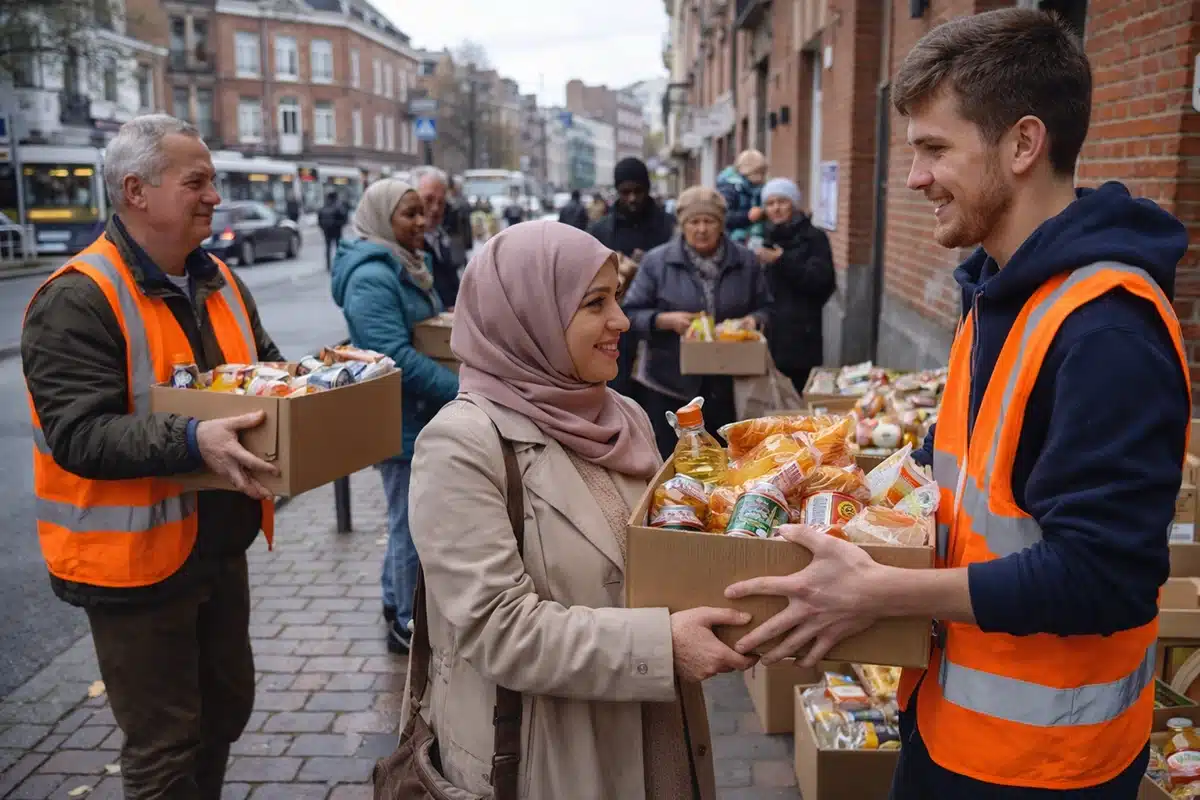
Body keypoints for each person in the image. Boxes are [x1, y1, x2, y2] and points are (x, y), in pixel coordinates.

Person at [725, 9, 1190, 798]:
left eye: (934, 148)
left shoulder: (1106, 328)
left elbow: (1107, 577)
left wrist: (887, 592)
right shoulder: (997, 296)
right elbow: (968, 482)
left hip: (1045, 768)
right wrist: (839, 495)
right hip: (950, 726)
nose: (913, 178)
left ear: (1022, 144)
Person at [404, 219, 754, 799]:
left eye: (617, 297)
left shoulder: (623, 415)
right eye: (595, 303)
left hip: (660, 736)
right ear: (528, 316)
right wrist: (665, 646)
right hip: (556, 759)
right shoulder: (463, 444)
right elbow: (499, 629)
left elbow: (659, 547)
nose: (620, 319)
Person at [22, 114, 282, 799]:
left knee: (225, 713)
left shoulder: (220, 277)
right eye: (197, 181)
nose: (215, 196)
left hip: (220, 544)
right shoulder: (76, 298)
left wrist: (319, 396)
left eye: (213, 180)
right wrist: (192, 441)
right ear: (137, 191)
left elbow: (267, 371)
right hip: (134, 570)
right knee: (165, 748)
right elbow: (78, 433)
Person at [331, 179, 459, 654]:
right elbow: (390, 354)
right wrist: (459, 389)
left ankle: (394, 601)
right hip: (399, 418)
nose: (421, 222)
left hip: (417, 414)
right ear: (384, 219)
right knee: (411, 523)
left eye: (422, 212)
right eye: (409, 215)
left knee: (408, 517)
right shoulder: (372, 275)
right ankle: (406, 622)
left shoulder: (405, 263)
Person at [622, 186, 772, 458]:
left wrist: (753, 320)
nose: (701, 229)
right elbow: (630, 313)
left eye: (709, 221)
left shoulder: (745, 261)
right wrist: (664, 320)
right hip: (669, 385)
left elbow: (766, 307)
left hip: (729, 384)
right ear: (683, 225)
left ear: (721, 224)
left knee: (726, 460)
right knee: (675, 464)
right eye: (694, 221)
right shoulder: (657, 262)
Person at [590, 157, 677, 400]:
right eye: (625, 192)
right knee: (619, 395)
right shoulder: (601, 230)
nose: (632, 198)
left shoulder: (669, 226)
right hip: (615, 326)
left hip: (659, 326)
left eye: (638, 191)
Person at [755, 177, 835, 392]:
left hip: (801, 335)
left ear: (794, 203)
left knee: (797, 398)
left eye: (782, 201)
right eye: (770, 204)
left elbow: (822, 282)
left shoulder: (814, 238)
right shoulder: (763, 237)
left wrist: (781, 261)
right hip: (768, 334)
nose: (776, 208)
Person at [412, 165, 463, 310]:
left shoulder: (444, 238)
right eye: (428, 200)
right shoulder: (407, 244)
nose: (435, 208)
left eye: (441, 203)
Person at [716, 149, 767, 247]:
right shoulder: (730, 188)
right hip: (733, 241)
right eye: (757, 172)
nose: (761, 177)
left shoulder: (760, 188)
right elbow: (723, 216)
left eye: (762, 172)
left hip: (755, 239)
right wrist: (748, 216)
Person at [317, 191, 348, 271]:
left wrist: (323, 228)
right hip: (337, 231)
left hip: (327, 232)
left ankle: (328, 265)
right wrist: (340, 225)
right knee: (338, 248)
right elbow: (344, 219)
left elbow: (319, 221)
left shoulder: (323, 207)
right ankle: (339, 264)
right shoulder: (338, 206)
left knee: (328, 248)